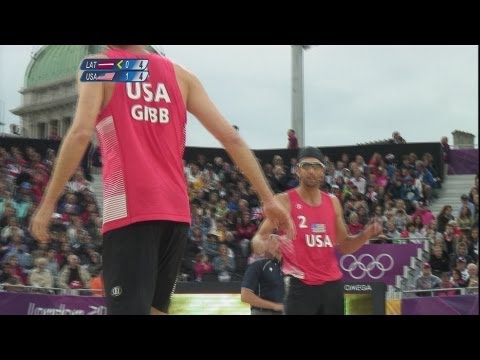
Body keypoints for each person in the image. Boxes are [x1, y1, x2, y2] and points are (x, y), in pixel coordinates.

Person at [30, 45, 294, 315]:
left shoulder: (102, 67)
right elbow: (231, 138)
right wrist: (267, 198)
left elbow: (80, 133)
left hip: (132, 209)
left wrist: (49, 201)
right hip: (175, 213)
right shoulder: (179, 75)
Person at [254, 146, 382, 315]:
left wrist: (366, 234)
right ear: (297, 171)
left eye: (317, 167)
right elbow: (258, 239)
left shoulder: (333, 202)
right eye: (306, 166)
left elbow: (344, 246)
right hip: (300, 287)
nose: (312, 171)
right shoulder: (284, 201)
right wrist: (264, 245)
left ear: (323, 172)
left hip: (332, 287)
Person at [241, 235, 284, 315]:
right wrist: (274, 306)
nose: (280, 243)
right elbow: (245, 296)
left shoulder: (287, 267)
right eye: (275, 241)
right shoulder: (258, 265)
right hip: (263, 312)